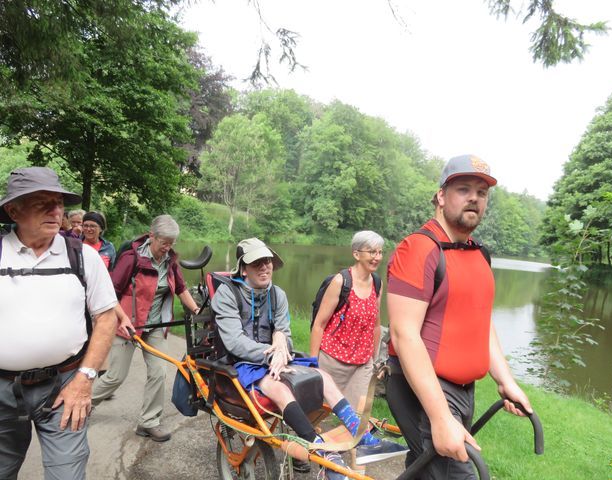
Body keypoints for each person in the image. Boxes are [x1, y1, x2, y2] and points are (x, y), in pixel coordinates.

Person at [386, 154, 534, 479]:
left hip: (464, 390)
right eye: (463, 189)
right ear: (441, 195)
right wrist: (440, 418)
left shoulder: (479, 253)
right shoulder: (418, 250)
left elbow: (482, 326)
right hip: (424, 390)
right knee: (457, 474)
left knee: (426, 471)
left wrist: (506, 381)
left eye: (481, 193)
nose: (474, 198)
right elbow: (404, 336)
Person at [212, 238, 407, 480]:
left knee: (322, 376)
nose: (264, 268)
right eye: (256, 263)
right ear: (243, 268)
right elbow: (234, 342)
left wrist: (282, 341)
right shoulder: (226, 294)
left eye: (268, 262)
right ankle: (324, 454)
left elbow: (286, 333)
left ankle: (364, 438)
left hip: (279, 358)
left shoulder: (278, 295)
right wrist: (274, 350)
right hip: (241, 362)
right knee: (280, 390)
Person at [0, 167, 117, 479]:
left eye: (59, 203)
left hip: (65, 387)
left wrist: (86, 378)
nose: (56, 211)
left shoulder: (82, 257)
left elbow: (106, 316)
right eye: (42, 203)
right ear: (13, 210)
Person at [91, 214, 199, 442]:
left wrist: (197, 311)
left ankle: (148, 422)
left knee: (159, 372)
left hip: (156, 326)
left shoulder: (170, 260)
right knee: (114, 377)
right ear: (152, 236)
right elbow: (111, 293)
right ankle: (82, 403)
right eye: (164, 243)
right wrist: (123, 319)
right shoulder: (131, 258)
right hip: (128, 324)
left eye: (172, 243)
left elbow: (181, 289)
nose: (168, 248)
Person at [310, 231, 383, 413]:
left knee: (359, 418)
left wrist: (374, 360)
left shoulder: (377, 283)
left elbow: (375, 325)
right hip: (332, 360)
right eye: (372, 252)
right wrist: (313, 362)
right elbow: (319, 324)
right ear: (356, 254)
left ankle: (356, 442)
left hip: (362, 364)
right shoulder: (341, 282)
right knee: (318, 413)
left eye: (380, 252)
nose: (377, 257)